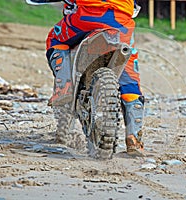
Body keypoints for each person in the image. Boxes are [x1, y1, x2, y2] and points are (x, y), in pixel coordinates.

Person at [46, 0, 144, 156]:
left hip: (87, 18)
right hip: (121, 23)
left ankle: (64, 86)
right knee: (129, 73)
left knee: (54, 39)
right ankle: (134, 138)